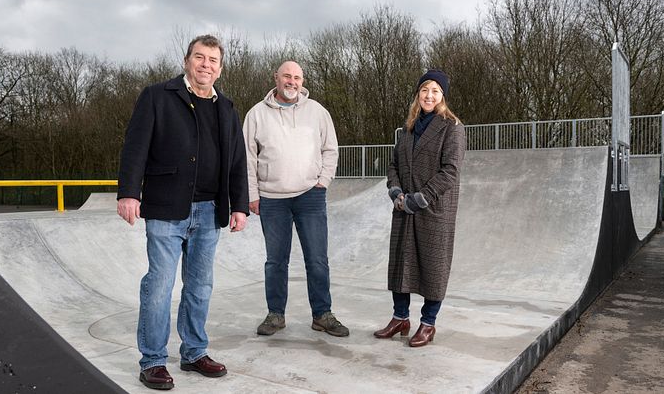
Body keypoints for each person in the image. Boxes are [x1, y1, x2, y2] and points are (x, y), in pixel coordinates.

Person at [117, 34, 249, 390]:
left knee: (200, 287)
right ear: (187, 60)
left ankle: (193, 352)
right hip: (166, 208)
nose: (206, 65)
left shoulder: (227, 107)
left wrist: (240, 205)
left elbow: (237, 161)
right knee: (159, 286)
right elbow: (135, 146)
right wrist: (129, 192)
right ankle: (154, 361)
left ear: (220, 69)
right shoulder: (158, 96)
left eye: (213, 60)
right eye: (200, 57)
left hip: (209, 211)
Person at [243, 60, 349, 338]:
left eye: (297, 77)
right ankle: (275, 314)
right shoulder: (256, 114)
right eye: (287, 76)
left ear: (302, 82)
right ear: (276, 78)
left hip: (309, 197)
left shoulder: (317, 112)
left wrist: (322, 182)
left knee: (317, 259)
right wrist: (252, 195)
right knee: (275, 261)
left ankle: (322, 314)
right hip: (271, 198)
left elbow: (331, 149)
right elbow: (247, 158)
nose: (292, 81)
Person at [374, 69, 466, 347]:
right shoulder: (407, 129)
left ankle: (428, 323)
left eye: (435, 91)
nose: (429, 95)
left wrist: (421, 198)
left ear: (443, 96)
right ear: (418, 94)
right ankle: (400, 317)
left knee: (433, 267)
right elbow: (393, 165)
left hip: (434, 209)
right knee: (401, 266)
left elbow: (450, 171)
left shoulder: (453, 128)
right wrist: (396, 191)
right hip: (404, 207)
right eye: (425, 90)